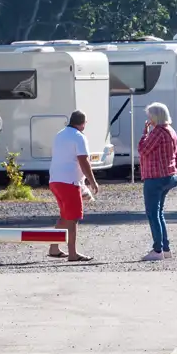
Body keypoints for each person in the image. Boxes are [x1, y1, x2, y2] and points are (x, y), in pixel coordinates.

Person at [47, 110, 100, 262]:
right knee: (73, 218)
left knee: (65, 216)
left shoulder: (60, 134)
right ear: (83, 123)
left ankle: (54, 248)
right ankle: (73, 253)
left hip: (55, 180)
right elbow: (83, 160)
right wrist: (92, 181)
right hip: (69, 182)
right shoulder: (79, 137)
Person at [137, 102, 177, 262]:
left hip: (155, 177)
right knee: (159, 212)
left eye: (150, 116)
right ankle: (166, 248)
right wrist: (175, 171)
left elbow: (143, 150)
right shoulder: (171, 131)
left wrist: (144, 133)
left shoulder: (157, 132)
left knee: (152, 213)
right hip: (169, 175)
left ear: (155, 117)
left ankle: (158, 249)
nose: (148, 119)